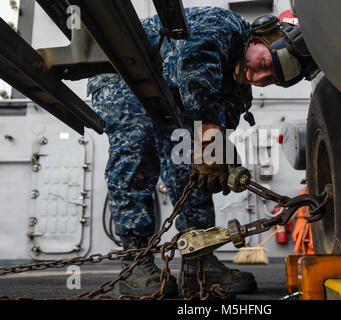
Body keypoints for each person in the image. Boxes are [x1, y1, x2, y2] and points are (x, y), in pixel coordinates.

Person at [88, 6, 317, 297]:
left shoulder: (238, 93)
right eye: (268, 62)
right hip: (124, 75)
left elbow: (215, 133)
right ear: (259, 38)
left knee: (192, 169)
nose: (260, 77)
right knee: (136, 156)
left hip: (169, 101)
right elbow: (196, 63)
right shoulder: (225, 25)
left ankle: (200, 262)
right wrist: (210, 137)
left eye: (271, 79)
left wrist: (221, 154)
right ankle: (135, 262)